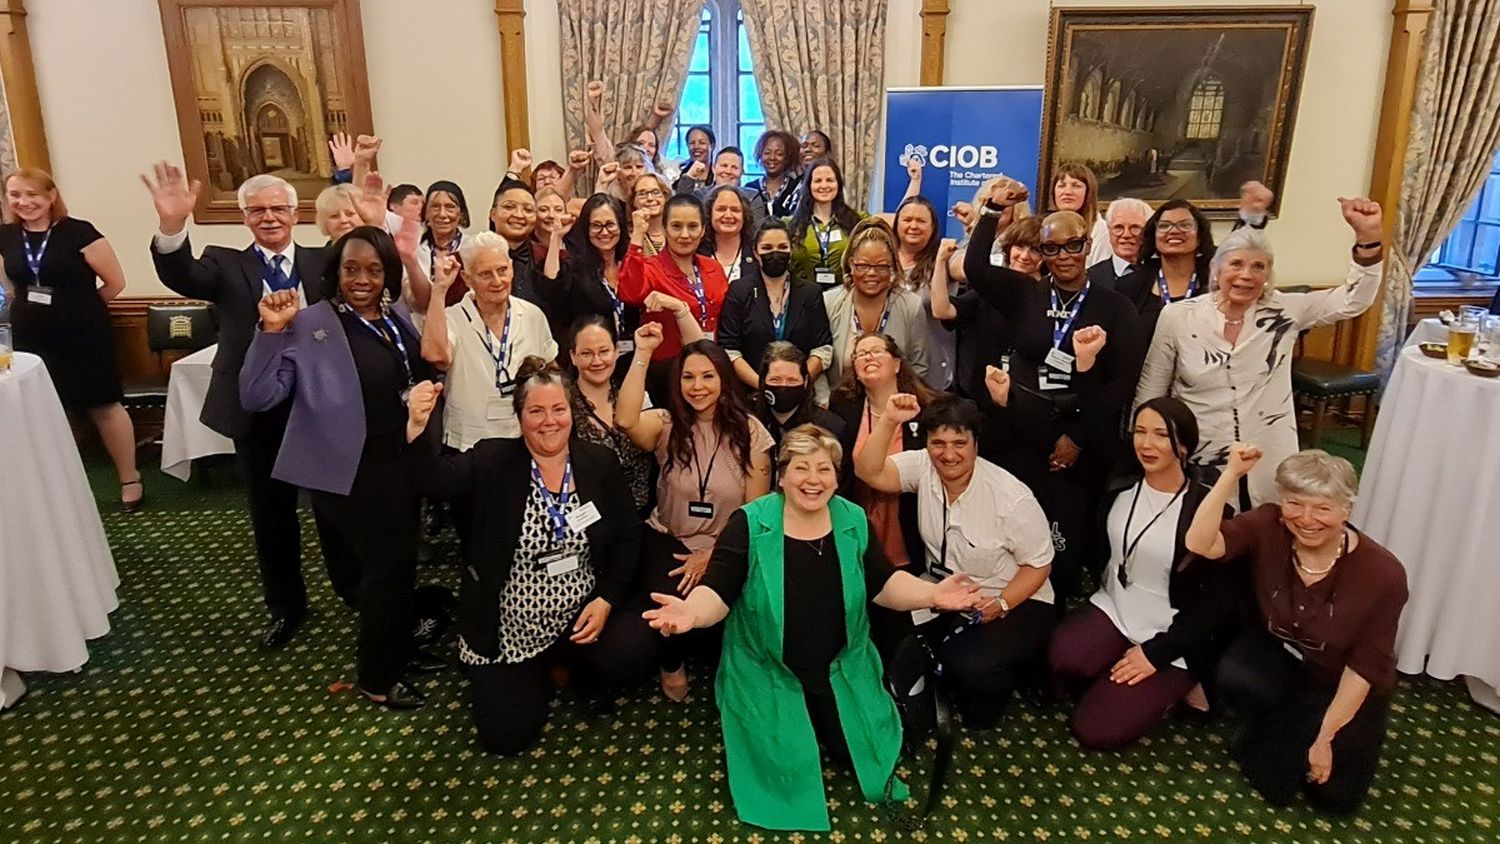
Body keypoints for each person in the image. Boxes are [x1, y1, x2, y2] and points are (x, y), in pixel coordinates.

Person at [642, 425, 985, 831]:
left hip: (842, 666)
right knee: (784, 768)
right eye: (801, 468)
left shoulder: (852, 519)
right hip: (768, 670)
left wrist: (933, 595)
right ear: (782, 476)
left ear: (836, 478)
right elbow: (717, 592)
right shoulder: (749, 523)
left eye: (824, 469)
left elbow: (885, 585)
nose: (813, 480)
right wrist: (691, 615)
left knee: (854, 754)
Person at [404, 361, 658, 753]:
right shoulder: (492, 460)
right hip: (512, 627)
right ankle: (541, 669)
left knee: (635, 649)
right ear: (519, 416)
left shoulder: (597, 462)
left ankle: (572, 664)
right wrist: (419, 427)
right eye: (535, 411)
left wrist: (606, 599)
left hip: (582, 612)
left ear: (571, 411)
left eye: (558, 409)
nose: (549, 421)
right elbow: (433, 482)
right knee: (505, 737)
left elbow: (627, 536)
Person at [239, 226, 435, 709]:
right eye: (351, 269)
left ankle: (399, 649)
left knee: (402, 564)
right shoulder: (308, 323)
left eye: (373, 269)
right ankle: (377, 676)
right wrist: (270, 331)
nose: (362, 279)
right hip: (350, 470)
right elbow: (257, 395)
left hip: (399, 458)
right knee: (385, 572)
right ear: (334, 272)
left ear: (388, 273)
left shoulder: (395, 317)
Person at [144, 163, 330, 647]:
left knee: (333, 507)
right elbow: (182, 273)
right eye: (257, 211)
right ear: (245, 218)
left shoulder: (323, 262)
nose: (269, 218)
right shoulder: (225, 263)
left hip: (319, 404)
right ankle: (286, 607)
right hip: (256, 408)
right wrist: (171, 226)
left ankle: (352, 591)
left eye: (277, 209)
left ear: (295, 213)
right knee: (271, 514)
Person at [1185, 446, 1408, 815]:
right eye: (1295, 503)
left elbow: (1364, 667)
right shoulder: (1269, 524)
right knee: (1239, 679)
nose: (1306, 519)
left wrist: (1325, 736)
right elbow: (1200, 543)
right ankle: (1274, 727)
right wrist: (1231, 476)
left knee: (1335, 799)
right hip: (1288, 665)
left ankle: (1302, 728)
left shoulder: (1383, 574)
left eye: (1323, 508)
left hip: (1347, 682)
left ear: (1346, 510)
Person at [1135, 198, 1386, 509]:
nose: (1246, 275)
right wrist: (1148, 447)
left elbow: (1354, 299)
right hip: (1202, 453)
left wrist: (1368, 238)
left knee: (1268, 532)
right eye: (1236, 264)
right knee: (1205, 536)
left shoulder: (1286, 311)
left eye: (1258, 266)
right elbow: (1152, 389)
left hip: (1269, 453)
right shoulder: (1178, 317)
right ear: (1217, 268)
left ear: (1268, 273)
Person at [962, 180, 1144, 599]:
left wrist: (1076, 438)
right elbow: (975, 268)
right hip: (1020, 432)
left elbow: (1122, 384)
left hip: (1081, 435)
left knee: (1064, 536)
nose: (1063, 256)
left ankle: (1058, 607)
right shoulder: (1026, 293)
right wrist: (991, 212)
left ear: (1087, 245)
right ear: (1041, 254)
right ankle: (1008, 602)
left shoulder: (1117, 308)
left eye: (1073, 245)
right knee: (1012, 528)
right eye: (1051, 248)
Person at [1049, 398, 1245, 749]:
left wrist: (1156, 653)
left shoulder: (1207, 508)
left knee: (1094, 730)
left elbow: (1216, 606)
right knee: (1063, 659)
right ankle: (1118, 663)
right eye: (1140, 432)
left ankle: (1183, 685)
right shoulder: (1120, 485)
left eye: (1160, 435)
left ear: (1183, 445)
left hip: (1174, 630)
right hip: (1117, 607)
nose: (1146, 444)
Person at [855, 394, 1058, 727]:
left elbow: (1039, 565)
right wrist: (890, 420)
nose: (948, 454)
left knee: (970, 673)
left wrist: (1002, 604)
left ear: (976, 443)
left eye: (959, 443)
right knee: (879, 622)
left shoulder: (1011, 498)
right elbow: (869, 471)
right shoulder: (924, 466)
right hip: (944, 589)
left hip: (1011, 597)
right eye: (938, 443)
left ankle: (1016, 672)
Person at [616, 325, 774, 701]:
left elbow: (754, 510)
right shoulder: (667, 424)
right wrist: (643, 352)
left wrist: (714, 554)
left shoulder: (750, 432)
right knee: (669, 599)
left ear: (723, 379)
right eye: (688, 377)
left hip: (729, 542)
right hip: (669, 536)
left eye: (708, 376)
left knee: (736, 607)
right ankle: (671, 662)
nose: (697, 386)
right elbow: (624, 420)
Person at [1, 169, 139, 511]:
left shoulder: (79, 232)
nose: (24, 202)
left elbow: (115, 283)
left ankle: (130, 478)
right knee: (44, 410)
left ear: (50, 196)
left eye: (32, 194)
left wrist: (80, 310)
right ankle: (53, 488)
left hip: (83, 335)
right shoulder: (5, 235)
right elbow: (9, 287)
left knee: (103, 405)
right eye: (15, 195)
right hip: (32, 337)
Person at [420, 231, 557, 450]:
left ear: (512, 268)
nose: (497, 281)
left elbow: (550, 368)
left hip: (523, 438)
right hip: (467, 442)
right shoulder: (451, 317)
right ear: (467, 278)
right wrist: (439, 290)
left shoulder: (532, 314)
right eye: (485, 274)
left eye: (502, 270)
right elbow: (436, 356)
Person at [827, 332, 937, 576]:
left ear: (897, 364)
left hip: (911, 528)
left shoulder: (928, 408)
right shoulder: (843, 407)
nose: (869, 357)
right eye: (861, 354)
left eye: (877, 351)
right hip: (857, 527)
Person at [715, 218, 833, 390]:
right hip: (750, 392)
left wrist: (797, 383)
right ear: (755, 252)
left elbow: (823, 348)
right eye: (767, 248)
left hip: (801, 391)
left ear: (791, 250)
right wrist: (762, 386)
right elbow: (729, 350)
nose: (775, 253)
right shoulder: (739, 291)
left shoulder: (810, 293)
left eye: (782, 247)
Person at [822, 218, 929, 399]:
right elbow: (820, 363)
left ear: (893, 267)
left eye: (881, 266)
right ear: (851, 264)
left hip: (894, 407)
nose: (871, 273)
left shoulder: (911, 305)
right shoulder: (829, 302)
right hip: (836, 409)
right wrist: (825, 404)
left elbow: (919, 367)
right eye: (863, 265)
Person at [619, 193, 729, 370]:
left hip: (709, 365)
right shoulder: (652, 268)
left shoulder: (714, 268)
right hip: (666, 369)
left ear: (703, 230)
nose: (684, 235)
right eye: (676, 226)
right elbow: (629, 293)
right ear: (664, 229)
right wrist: (638, 234)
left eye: (692, 226)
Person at [567, 315, 653, 513]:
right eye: (586, 353)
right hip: (592, 515)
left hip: (645, 514)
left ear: (616, 351)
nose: (597, 361)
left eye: (604, 351)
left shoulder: (633, 392)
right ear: (573, 356)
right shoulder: (563, 405)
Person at [541, 193, 639, 350]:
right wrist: (556, 237)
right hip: (593, 358)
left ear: (620, 226)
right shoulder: (577, 269)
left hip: (632, 356)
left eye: (610, 224)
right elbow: (551, 289)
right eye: (596, 225)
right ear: (586, 229)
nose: (604, 232)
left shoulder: (631, 266)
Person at [1114, 200, 1217, 339]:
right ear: (1154, 236)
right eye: (1164, 226)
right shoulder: (1128, 287)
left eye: (1185, 225)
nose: (1174, 231)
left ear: (1199, 236)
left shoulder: (1217, 283)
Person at [893, 195, 960, 390]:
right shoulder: (882, 259)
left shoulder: (946, 259)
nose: (913, 226)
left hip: (933, 370)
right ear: (896, 224)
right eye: (907, 220)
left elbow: (969, 267)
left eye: (921, 221)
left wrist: (973, 226)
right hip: (889, 367)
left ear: (933, 227)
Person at [751, 342, 845, 456]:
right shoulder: (748, 424)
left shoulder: (832, 428)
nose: (783, 386)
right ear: (762, 381)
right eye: (775, 380)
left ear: (805, 381)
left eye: (792, 380)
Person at [787, 159, 866, 290]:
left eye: (830, 180)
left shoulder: (857, 220)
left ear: (838, 184)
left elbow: (901, 220)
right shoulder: (790, 225)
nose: (824, 186)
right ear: (809, 185)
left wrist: (914, 182)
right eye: (818, 181)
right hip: (803, 299)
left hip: (845, 296)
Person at [418, 180, 470, 306]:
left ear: (461, 214)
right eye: (435, 207)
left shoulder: (472, 247)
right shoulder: (414, 252)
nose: (442, 214)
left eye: (450, 207)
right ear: (426, 214)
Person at [1049, 163, 1111, 267]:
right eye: (1061, 186)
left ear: (1088, 192)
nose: (1067, 192)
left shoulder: (1101, 231)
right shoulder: (1048, 227)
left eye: (1076, 186)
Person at [1086, 197, 1151, 290]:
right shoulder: (1090, 279)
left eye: (1135, 227)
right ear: (1109, 231)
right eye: (1118, 228)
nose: (1126, 235)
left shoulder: (1161, 273)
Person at [700, 184, 757, 284]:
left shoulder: (756, 251)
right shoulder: (696, 251)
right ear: (709, 213)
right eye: (721, 209)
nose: (728, 215)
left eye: (735, 210)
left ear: (745, 215)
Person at [744, 129, 800, 218]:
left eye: (779, 154)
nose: (772, 157)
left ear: (788, 158)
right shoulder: (749, 188)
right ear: (760, 155)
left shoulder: (796, 188)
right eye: (767, 153)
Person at [628, 172, 672, 257]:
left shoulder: (677, 232)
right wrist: (638, 233)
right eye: (642, 194)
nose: (650, 198)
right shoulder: (626, 236)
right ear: (633, 201)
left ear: (665, 197)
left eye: (656, 192)